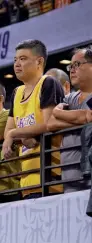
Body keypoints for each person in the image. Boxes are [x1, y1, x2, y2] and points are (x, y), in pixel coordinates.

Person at [2, 39, 65, 199]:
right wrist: (21, 135)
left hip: (50, 177)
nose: (17, 64)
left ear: (39, 61)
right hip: (26, 180)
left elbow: (49, 123)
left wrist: (15, 134)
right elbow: (8, 130)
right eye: (15, 60)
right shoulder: (17, 92)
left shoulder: (48, 83)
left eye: (23, 59)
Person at [47, 47, 92, 193]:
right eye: (70, 66)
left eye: (77, 65)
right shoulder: (69, 98)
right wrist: (82, 119)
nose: (71, 70)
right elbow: (51, 123)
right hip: (69, 179)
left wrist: (60, 113)